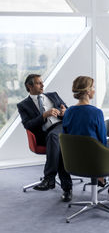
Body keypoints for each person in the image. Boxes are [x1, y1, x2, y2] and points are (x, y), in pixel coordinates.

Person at [62, 76, 109, 199]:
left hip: (73, 161)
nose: (94, 90)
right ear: (87, 91)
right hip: (95, 161)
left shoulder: (68, 112)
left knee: (104, 145)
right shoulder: (96, 113)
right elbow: (103, 142)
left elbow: (66, 139)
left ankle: (102, 179)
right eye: (93, 87)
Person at [17, 74, 72, 202]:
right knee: (57, 146)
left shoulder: (53, 95)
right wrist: (44, 115)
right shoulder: (23, 105)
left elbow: (68, 111)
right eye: (38, 83)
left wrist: (65, 112)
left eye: (42, 82)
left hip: (62, 127)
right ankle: (67, 188)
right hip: (45, 134)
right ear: (29, 86)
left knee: (54, 138)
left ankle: (49, 178)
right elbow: (28, 125)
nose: (42, 85)